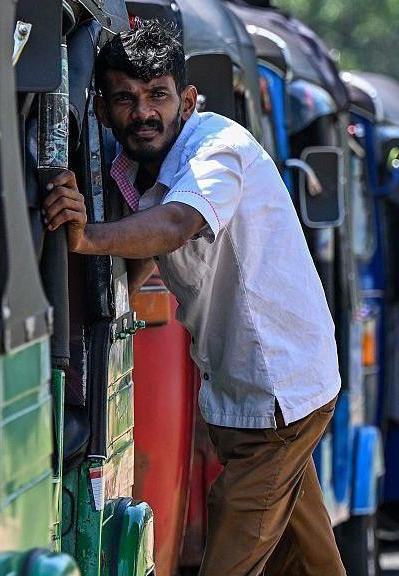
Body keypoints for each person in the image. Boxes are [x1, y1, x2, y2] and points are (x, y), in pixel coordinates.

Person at [42, 20, 344, 576]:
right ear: (103, 112)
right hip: (243, 388)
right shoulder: (132, 170)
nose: (143, 113)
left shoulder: (217, 149)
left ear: (186, 99)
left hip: (280, 388)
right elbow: (143, 255)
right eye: (125, 99)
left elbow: (178, 223)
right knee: (307, 558)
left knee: (234, 529)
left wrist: (87, 237)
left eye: (157, 95)